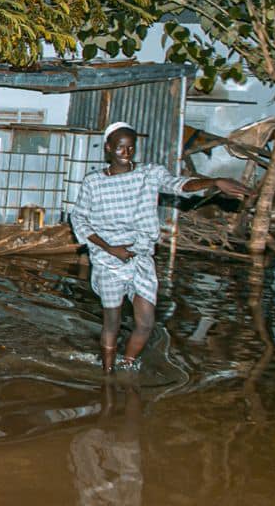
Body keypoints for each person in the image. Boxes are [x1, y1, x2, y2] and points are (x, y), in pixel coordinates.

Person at [70, 122, 248, 371]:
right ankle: (108, 374)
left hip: (141, 258)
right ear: (109, 148)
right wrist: (110, 248)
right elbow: (78, 218)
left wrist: (214, 182)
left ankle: (128, 364)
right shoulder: (94, 182)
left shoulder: (149, 174)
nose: (126, 153)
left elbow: (180, 184)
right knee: (112, 322)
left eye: (131, 148)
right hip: (108, 260)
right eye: (120, 148)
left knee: (145, 323)